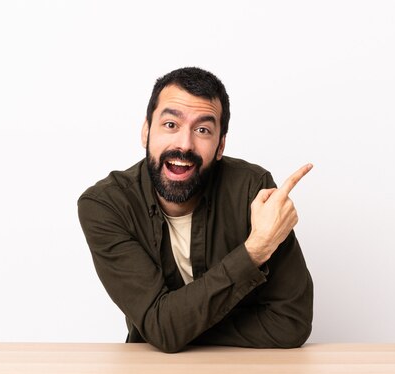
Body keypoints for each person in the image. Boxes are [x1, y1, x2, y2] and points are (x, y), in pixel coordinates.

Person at [78, 67, 313, 353]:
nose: (184, 144)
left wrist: (177, 325)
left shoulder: (254, 190)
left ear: (220, 146)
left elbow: (291, 323)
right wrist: (254, 251)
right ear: (145, 131)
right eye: (170, 125)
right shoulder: (106, 206)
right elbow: (161, 328)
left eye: (202, 130)